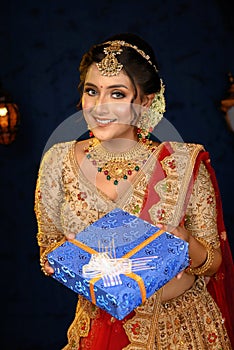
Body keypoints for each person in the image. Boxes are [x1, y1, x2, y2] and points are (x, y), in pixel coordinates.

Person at [34, 33, 234, 349]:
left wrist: (186, 242)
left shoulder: (180, 164)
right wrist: (59, 261)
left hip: (180, 331)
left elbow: (213, 262)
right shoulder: (58, 161)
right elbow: (49, 245)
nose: (100, 107)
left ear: (146, 102)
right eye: (91, 91)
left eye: (117, 94)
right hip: (98, 327)